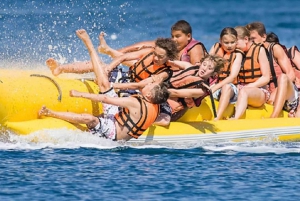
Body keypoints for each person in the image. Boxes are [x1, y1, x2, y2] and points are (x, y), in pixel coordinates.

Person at [39, 29, 170, 141]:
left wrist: (82, 94)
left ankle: (50, 112)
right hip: (119, 109)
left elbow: (110, 97)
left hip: (114, 126)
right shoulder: (150, 99)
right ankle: (72, 59)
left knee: (90, 118)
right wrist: (109, 68)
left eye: (160, 56)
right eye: (155, 54)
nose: (156, 58)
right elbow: (124, 59)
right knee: (102, 74)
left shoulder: (160, 77)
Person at [246, 22, 298, 118]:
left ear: (264, 37)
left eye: (253, 39)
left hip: (288, 95)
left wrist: (276, 92)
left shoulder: (275, 49)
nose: (251, 43)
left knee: (283, 77)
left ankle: (273, 117)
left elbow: (291, 75)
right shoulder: (250, 54)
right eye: (249, 40)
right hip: (267, 96)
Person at [231, 26, 271, 119]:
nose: (233, 46)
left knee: (244, 92)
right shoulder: (237, 53)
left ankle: (235, 119)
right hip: (240, 88)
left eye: (235, 43)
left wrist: (248, 87)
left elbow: (266, 77)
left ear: (245, 39)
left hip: (259, 91)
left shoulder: (259, 50)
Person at [208, 27, 244, 120]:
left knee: (226, 87)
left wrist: (215, 87)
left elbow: (232, 77)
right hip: (215, 85)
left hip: (231, 89)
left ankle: (217, 118)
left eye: (232, 42)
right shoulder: (215, 47)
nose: (229, 46)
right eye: (226, 43)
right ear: (220, 41)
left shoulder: (238, 55)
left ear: (236, 41)